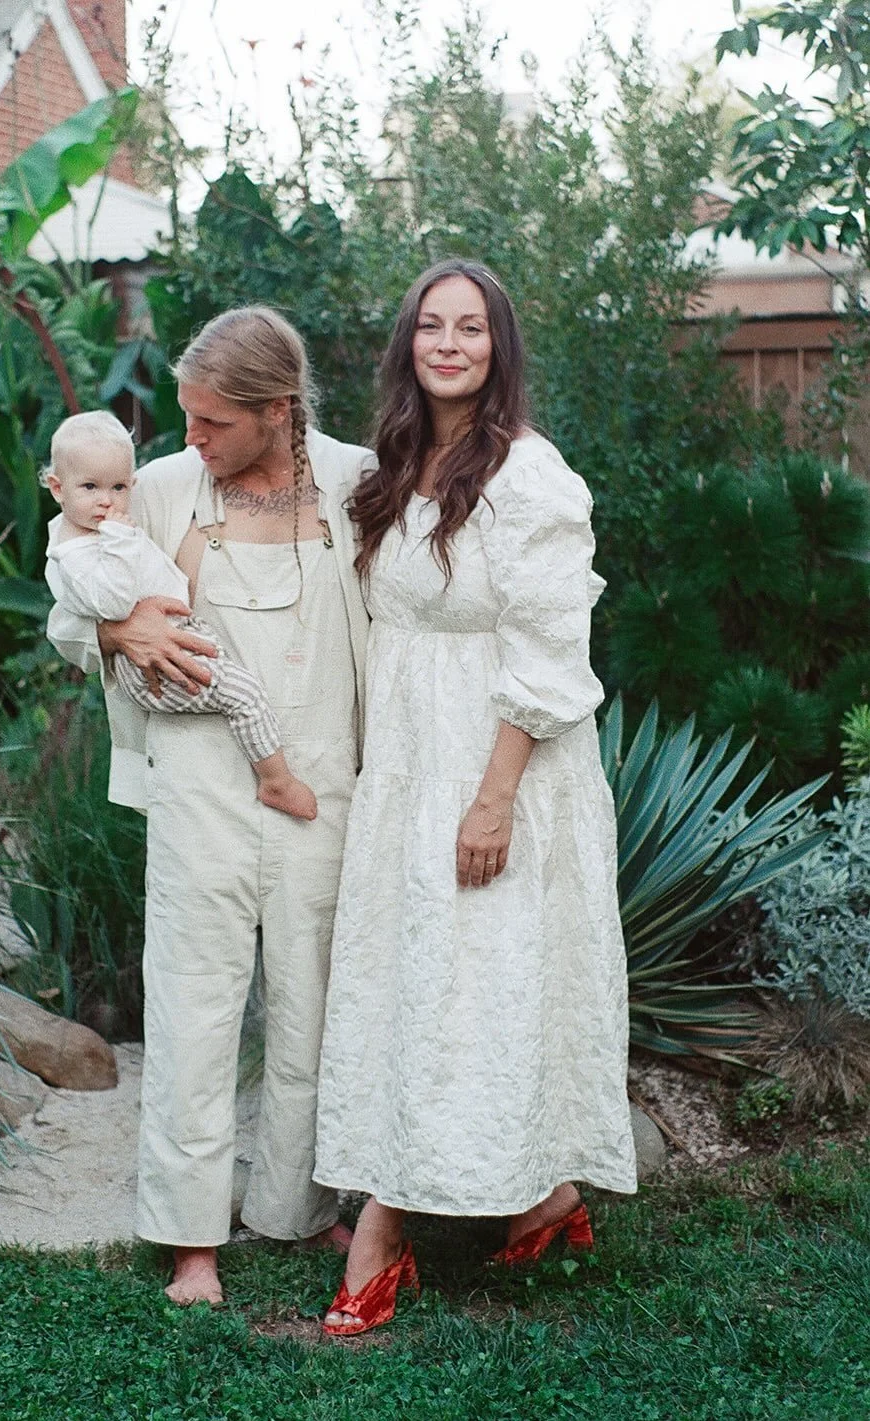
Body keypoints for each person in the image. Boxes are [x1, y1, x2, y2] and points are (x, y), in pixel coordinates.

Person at [313, 259, 638, 1336]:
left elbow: (548, 648)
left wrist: (493, 797)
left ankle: (383, 1229)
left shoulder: (529, 476)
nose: (448, 343)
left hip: (500, 768)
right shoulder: (395, 462)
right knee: (422, 983)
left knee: (471, 987)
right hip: (409, 765)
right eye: (430, 326)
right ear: (407, 340)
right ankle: (544, 1201)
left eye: (471, 329)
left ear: (500, 347)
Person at [46, 308, 372, 1307]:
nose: (190, 438)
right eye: (185, 418)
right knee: (192, 1002)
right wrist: (117, 636)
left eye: (212, 421)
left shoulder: (356, 482)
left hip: (322, 779)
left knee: (310, 1006)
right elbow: (68, 604)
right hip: (197, 780)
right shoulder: (159, 488)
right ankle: (191, 1236)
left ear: (278, 410)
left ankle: (295, 1207)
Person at [43, 409, 317, 821]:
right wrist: (121, 541)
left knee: (239, 690)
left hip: (178, 640)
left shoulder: (94, 533)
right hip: (154, 665)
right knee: (244, 697)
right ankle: (277, 780)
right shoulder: (78, 551)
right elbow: (111, 606)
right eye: (90, 487)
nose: (107, 500)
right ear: (57, 489)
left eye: (118, 486)